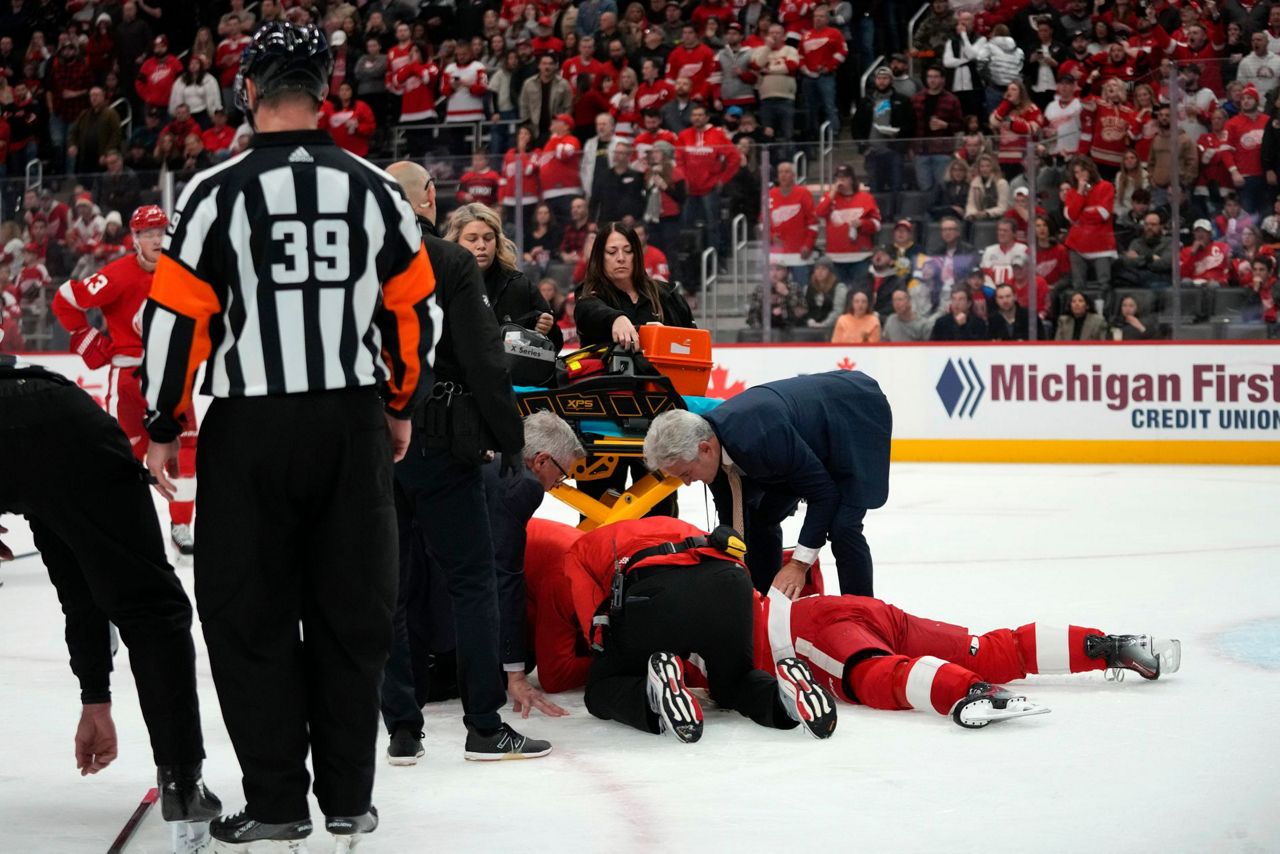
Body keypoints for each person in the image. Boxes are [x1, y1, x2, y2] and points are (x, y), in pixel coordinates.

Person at [139, 24, 439, 849]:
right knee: (352, 611)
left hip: (252, 431)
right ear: (325, 90)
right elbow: (415, 311)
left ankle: (275, 803)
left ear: (247, 90)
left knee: (248, 616)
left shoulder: (213, 193)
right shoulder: (377, 189)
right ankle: (349, 797)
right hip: (349, 421)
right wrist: (401, 403)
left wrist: (163, 421)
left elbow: (174, 322)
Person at [0, 353, 221, 825]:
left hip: (46, 417)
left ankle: (105, 709)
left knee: (82, 577)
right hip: (61, 420)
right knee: (149, 605)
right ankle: (181, 780)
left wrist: (94, 697)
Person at [379, 161, 550, 767]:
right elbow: (483, 358)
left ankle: (401, 726)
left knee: (390, 589)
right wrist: (509, 437)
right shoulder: (446, 262)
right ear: (429, 198)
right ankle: (482, 726)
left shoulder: (350, 259)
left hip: (370, 443)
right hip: (437, 439)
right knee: (474, 580)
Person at [573, 516, 838, 742]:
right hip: (731, 584)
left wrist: (614, 662)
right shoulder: (680, 524)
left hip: (653, 594)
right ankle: (781, 701)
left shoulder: (579, 548)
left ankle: (650, 697)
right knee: (734, 685)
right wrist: (747, 668)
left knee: (600, 689)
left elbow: (595, 622)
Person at [643, 370, 891, 598]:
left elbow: (823, 493)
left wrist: (798, 565)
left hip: (854, 415)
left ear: (705, 449)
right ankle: (765, 600)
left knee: (843, 528)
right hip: (798, 442)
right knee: (763, 518)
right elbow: (734, 524)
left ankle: (863, 612)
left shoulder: (758, 439)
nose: (686, 483)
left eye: (686, 473)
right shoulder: (710, 446)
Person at [50, 205, 199, 556]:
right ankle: (129, 531)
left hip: (173, 378)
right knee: (128, 459)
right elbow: (64, 301)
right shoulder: (116, 275)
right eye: (148, 234)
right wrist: (88, 339)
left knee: (188, 451)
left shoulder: (185, 274)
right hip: (131, 379)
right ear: (134, 239)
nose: (156, 239)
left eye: (161, 232)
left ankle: (181, 526)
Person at [574, 221, 693, 511]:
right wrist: (616, 318)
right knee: (599, 505)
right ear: (600, 257)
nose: (621, 257)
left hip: (658, 418)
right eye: (612, 251)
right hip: (605, 422)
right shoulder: (590, 297)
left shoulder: (664, 294)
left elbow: (690, 337)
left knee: (660, 508)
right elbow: (588, 312)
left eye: (627, 250)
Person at [446, 202, 563, 350]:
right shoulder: (443, 285)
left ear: (497, 242)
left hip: (511, 371)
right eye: (472, 239)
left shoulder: (519, 285)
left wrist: (548, 329)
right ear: (456, 242)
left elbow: (554, 346)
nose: (481, 245)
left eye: (488, 238)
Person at [1063, 155, 1116, 295]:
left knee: (1104, 286)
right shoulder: (1072, 192)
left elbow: (1103, 214)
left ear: (1090, 170)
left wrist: (1081, 215)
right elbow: (1071, 216)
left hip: (1101, 243)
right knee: (1078, 287)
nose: (1080, 175)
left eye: (1083, 170)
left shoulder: (1106, 187)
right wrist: (1080, 193)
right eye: (1076, 172)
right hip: (1077, 244)